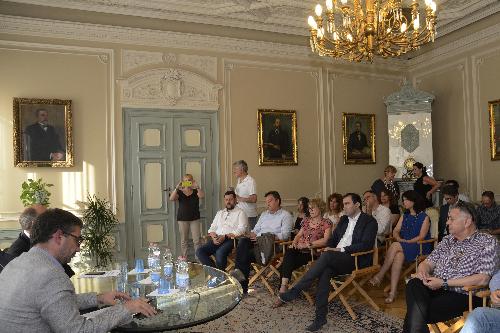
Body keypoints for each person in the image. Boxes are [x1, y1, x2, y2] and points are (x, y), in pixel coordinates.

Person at [0, 208, 156, 332]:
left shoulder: (19, 263)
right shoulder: (50, 274)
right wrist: (126, 309)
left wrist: (98, 298)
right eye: (77, 239)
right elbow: (78, 330)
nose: (79, 248)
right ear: (59, 236)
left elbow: (55, 305)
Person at [276, 193, 377, 332]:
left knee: (328, 256)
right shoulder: (343, 220)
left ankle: (295, 290)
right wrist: (329, 247)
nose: (344, 206)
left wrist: (338, 249)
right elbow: (332, 240)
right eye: (344, 204)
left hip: (355, 258)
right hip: (336, 257)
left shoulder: (369, 221)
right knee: (325, 272)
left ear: (357, 204)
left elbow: (366, 245)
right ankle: (320, 318)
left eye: (347, 203)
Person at [402, 202, 499, 333]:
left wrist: (445, 282)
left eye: (451, 219)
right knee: (414, 284)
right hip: (436, 286)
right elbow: (428, 262)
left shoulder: (487, 241)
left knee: (417, 309)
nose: (447, 222)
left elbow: (483, 279)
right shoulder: (447, 240)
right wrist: (423, 271)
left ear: (467, 221)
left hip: (464, 294)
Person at [369, 190, 431, 304]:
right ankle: (393, 292)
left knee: (395, 245)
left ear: (414, 201)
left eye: (406, 200)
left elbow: (422, 236)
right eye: (403, 200)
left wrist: (407, 241)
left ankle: (380, 274)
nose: (404, 202)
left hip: (419, 246)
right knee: (398, 256)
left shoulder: (424, 217)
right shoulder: (405, 215)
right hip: (403, 245)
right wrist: (399, 238)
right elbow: (396, 230)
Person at [231, 191, 293, 294]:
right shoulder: (264, 214)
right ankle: (241, 282)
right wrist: (247, 234)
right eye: (266, 202)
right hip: (257, 243)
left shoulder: (286, 215)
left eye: (270, 201)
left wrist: (263, 238)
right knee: (243, 241)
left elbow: (285, 236)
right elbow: (255, 231)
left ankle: (241, 286)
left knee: (244, 255)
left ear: (278, 201)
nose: (267, 204)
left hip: (272, 246)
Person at [275, 198, 332, 296]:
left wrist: (307, 244)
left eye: (313, 208)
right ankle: (283, 287)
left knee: (286, 263)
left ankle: (283, 287)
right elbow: (298, 235)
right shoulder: (306, 221)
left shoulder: (326, 223)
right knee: (290, 251)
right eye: (309, 208)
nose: (310, 210)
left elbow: (326, 240)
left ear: (320, 208)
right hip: (299, 249)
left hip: (312, 253)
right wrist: (294, 242)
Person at [7, 206, 75, 278]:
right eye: (47, 218)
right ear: (35, 223)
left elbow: (66, 271)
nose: (52, 221)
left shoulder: (48, 239)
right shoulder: (17, 253)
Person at [196, 190, 248, 270]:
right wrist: (213, 236)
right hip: (217, 239)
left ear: (235, 200)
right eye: (226, 200)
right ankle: (217, 275)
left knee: (220, 252)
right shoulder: (220, 213)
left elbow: (242, 229)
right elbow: (212, 228)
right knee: (200, 251)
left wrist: (225, 236)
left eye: (230, 199)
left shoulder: (241, 213)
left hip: (231, 240)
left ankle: (218, 276)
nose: (228, 202)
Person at [169, 174, 205, 259]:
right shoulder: (180, 192)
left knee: (196, 241)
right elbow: (171, 198)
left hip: (194, 218)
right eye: (185, 180)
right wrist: (177, 188)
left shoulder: (196, 191)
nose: (187, 182)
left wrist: (197, 187)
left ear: (192, 181)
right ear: (183, 181)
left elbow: (202, 196)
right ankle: (185, 260)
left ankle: (198, 259)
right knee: (184, 241)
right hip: (182, 219)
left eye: (189, 180)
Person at [233, 160, 258, 230]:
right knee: (240, 237)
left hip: (249, 215)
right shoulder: (239, 180)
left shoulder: (250, 181)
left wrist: (239, 198)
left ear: (242, 169)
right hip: (240, 214)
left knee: (248, 238)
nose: (234, 171)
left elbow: (254, 199)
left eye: (235, 169)